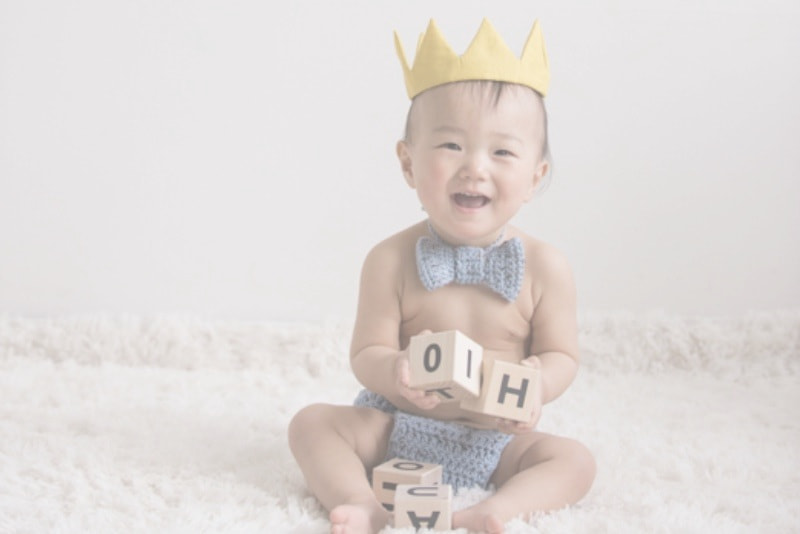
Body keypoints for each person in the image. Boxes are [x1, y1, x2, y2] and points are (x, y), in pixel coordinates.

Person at [288, 18, 595, 534]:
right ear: (408, 164)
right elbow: (366, 353)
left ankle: (493, 511)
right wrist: (396, 371)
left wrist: (538, 385)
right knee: (311, 424)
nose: (475, 167)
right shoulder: (389, 260)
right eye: (451, 146)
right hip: (396, 426)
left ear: (535, 177)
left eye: (502, 152)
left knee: (575, 461)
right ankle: (359, 501)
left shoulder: (546, 267)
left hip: (495, 438)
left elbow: (562, 355)